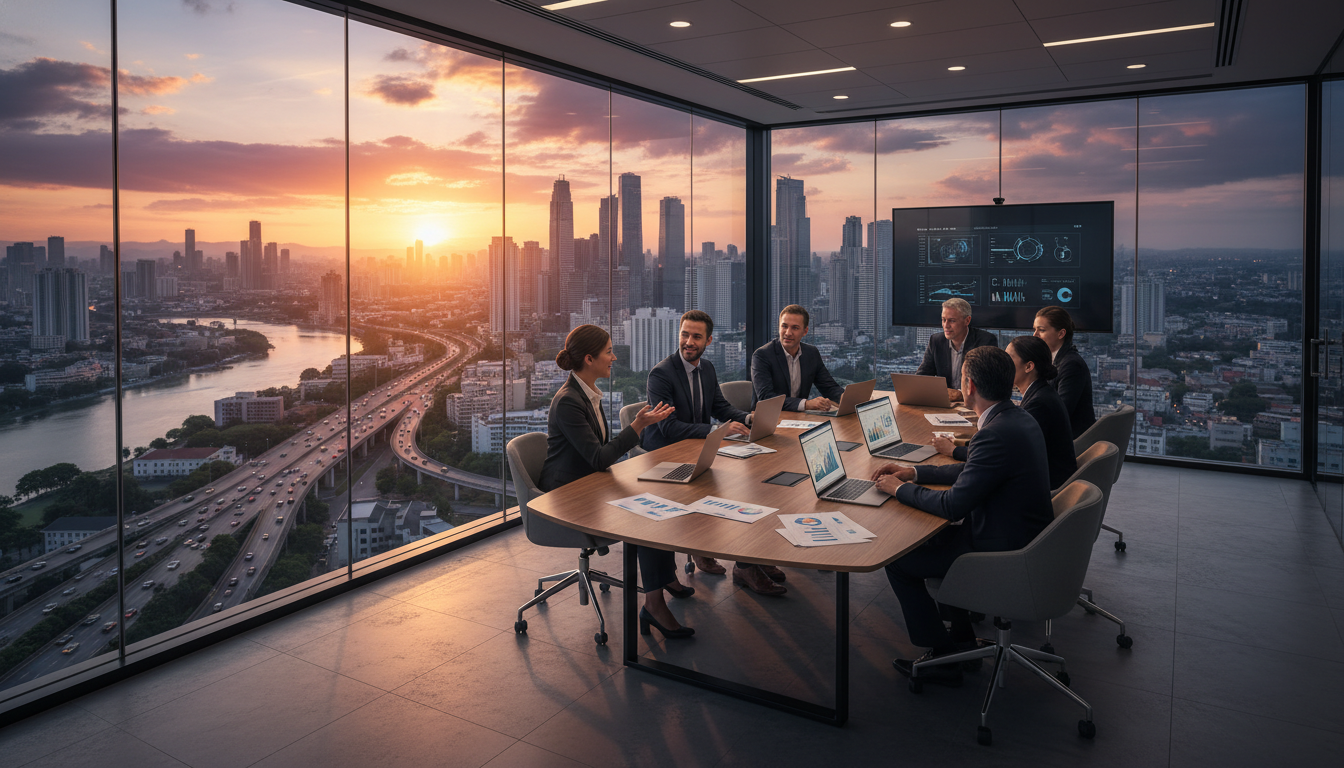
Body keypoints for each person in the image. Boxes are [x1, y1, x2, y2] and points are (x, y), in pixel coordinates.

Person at [872, 346, 1054, 685]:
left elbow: (951, 506)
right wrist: (913, 474)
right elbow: (974, 471)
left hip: (1001, 551)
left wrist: (896, 490)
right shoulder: (1015, 417)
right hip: (1021, 537)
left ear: (968, 386)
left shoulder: (995, 433)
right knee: (935, 540)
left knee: (899, 561)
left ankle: (943, 656)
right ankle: (962, 639)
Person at [537, 325, 686, 638]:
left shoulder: (588, 394)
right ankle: (654, 604)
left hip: (589, 484)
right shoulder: (569, 402)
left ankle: (664, 580)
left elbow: (598, 455)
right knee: (644, 518)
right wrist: (637, 427)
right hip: (567, 495)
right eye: (608, 351)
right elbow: (599, 458)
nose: (614, 357)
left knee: (657, 501)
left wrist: (637, 428)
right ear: (589, 359)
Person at [643, 311, 784, 596]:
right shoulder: (661, 374)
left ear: (708, 340)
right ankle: (734, 560)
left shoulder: (706, 368)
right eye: (685, 334)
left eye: (696, 336)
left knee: (753, 486)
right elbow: (668, 427)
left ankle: (745, 559)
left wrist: (746, 418)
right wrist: (714, 431)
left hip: (697, 449)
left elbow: (720, 407)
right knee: (734, 491)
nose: (688, 342)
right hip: (666, 456)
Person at [933, 336, 1077, 490]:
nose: (1003, 362)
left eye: (1008, 358)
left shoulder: (1039, 404)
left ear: (1028, 367)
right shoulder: (1041, 393)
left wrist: (953, 451)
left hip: (1047, 486)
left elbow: (1002, 453)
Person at [751, 304, 845, 412]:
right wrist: (806, 404)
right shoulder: (762, 355)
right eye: (784, 326)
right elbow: (766, 398)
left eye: (795, 328)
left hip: (798, 419)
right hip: (768, 419)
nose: (788, 333)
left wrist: (845, 398)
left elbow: (829, 387)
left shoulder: (811, 353)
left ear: (805, 331)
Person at [915, 297, 999, 401]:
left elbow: (987, 382)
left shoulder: (985, 341)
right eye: (943, 320)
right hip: (946, 404)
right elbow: (922, 377)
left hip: (975, 404)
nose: (946, 325)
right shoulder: (936, 341)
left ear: (967, 320)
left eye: (952, 321)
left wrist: (960, 394)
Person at [1034, 306, 1096, 438]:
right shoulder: (1052, 360)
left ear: (1061, 334)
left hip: (1071, 441)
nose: (1035, 335)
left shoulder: (1072, 365)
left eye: (1042, 330)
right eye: (1034, 330)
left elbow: (1061, 412)